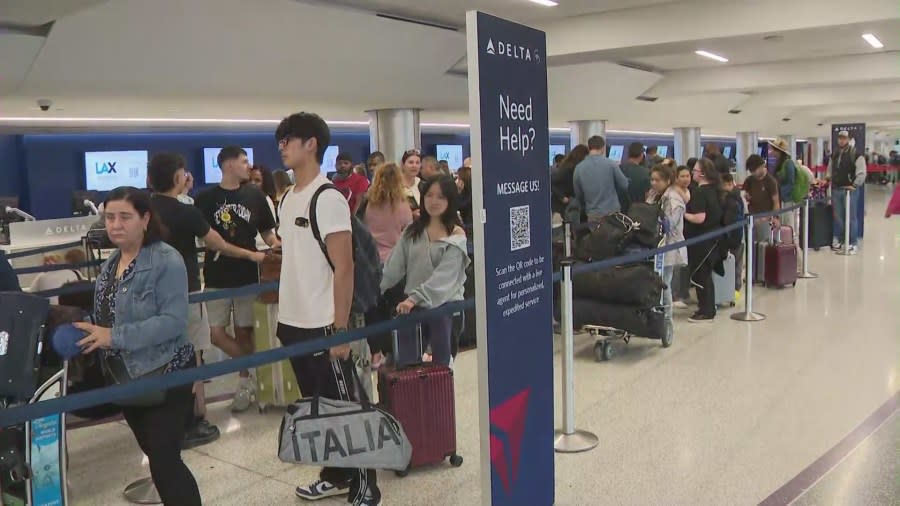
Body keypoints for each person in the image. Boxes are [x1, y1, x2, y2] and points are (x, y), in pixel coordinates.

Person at [275, 112, 380, 505]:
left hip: (324, 324)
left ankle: (367, 482)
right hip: (294, 322)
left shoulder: (328, 198)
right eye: (281, 141)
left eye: (288, 139)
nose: (282, 147)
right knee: (320, 410)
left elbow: (344, 268)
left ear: (311, 144)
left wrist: (340, 330)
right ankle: (337, 473)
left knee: (346, 408)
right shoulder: (288, 199)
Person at [73, 187, 201, 506]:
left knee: (165, 462)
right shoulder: (110, 264)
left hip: (166, 373)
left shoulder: (166, 260)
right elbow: (109, 314)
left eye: (124, 217)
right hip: (126, 376)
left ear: (145, 219)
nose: (115, 224)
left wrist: (112, 336)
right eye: (110, 217)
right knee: (157, 457)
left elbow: (173, 321)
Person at [149, 152, 267, 447]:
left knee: (168, 354)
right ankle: (195, 416)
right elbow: (216, 242)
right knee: (194, 351)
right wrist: (252, 255)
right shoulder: (190, 209)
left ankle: (173, 416)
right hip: (187, 291)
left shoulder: (144, 210)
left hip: (152, 293)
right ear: (178, 177)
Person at [194, 146, 279, 412]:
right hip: (217, 275)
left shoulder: (255, 195)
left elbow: (268, 234)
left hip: (247, 276)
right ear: (228, 165)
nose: (249, 165)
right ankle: (254, 370)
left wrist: (279, 247)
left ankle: (245, 384)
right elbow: (203, 237)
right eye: (243, 161)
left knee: (244, 330)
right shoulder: (206, 199)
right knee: (216, 333)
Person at [380, 176, 470, 367]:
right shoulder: (412, 231)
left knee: (441, 371)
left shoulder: (456, 234)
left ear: (450, 200)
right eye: (429, 195)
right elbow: (393, 267)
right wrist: (374, 290)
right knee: (406, 367)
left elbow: (444, 278)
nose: (434, 201)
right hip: (412, 310)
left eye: (441, 197)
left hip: (445, 309)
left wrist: (414, 298)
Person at [647, 165, 687, 343]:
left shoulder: (673, 199)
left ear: (667, 181)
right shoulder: (656, 196)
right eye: (652, 179)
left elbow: (670, 225)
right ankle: (657, 315)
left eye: (657, 180)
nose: (654, 183)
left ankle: (667, 319)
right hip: (658, 245)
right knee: (660, 281)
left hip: (670, 245)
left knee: (665, 283)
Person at [683, 158, 723, 323]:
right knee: (706, 275)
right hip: (713, 238)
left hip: (702, 240)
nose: (692, 173)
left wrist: (683, 215)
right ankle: (708, 307)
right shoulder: (715, 190)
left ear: (702, 173)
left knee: (701, 275)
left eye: (694, 171)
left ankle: (706, 311)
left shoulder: (700, 192)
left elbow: (700, 217)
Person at [827, 130, 866, 253]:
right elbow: (830, 169)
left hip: (850, 191)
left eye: (844, 138)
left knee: (851, 217)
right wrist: (827, 179)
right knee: (839, 217)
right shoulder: (835, 154)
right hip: (837, 189)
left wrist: (855, 184)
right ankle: (843, 240)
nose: (841, 140)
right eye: (840, 138)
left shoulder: (855, 154)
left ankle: (853, 242)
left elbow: (861, 171)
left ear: (848, 139)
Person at [573, 135, 629, 222]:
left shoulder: (579, 168)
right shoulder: (611, 164)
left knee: (596, 235)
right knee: (613, 235)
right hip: (612, 212)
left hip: (593, 214)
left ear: (589, 148)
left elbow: (578, 193)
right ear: (603, 148)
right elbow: (624, 185)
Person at [742, 154, 781, 242]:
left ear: (762, 166)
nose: (753, 173)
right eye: (751, 171)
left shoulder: (771, 181)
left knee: (763, 246)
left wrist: (775, 217)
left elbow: (776, 202)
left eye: (754, 170)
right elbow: (744, 196)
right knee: (751, 247)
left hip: (765, 219)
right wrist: (746, 197)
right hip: (751, 219)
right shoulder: (749, 180)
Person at [670, 165, 694, 309]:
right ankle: (674, 295)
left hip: (684, 232)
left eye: (688, 176)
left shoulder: (688, 192)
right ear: (676, 178)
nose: (686, 179)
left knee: (681, 265)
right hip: (675, 234)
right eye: (682, 176)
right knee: (674, 266)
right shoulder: (673, 193)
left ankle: (681, 292)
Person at [720, 173, 746, 293]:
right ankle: (735, 288)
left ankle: (734, 288)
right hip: (738, 235)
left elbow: (728, 219)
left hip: (734, 236)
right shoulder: (738, 196)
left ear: (729, 183)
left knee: (735, 263)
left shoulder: (730, 199)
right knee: (737, 263)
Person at [769, 139, 798, 236]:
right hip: (781, 199)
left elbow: (791, 183)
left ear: (779, 152)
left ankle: (789, 243)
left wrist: (779, 192)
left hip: (787, 200)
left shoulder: (788, 163)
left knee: (788, 223)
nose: (772, 152)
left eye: (774, 150)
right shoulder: (778, 163)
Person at [551, 144, 588, 216]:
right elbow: (551, 183)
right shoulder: (566, 169)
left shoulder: (575, 168)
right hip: (563, 204)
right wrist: (562, 197)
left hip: (570, 203)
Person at [620, 142, 651, 207]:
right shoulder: (646, 172)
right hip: (638, 211)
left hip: (619, 211)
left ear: (628, 154)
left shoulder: (618, 169)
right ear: (641, 155)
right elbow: (648, 196)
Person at [401, 149, 423, 215]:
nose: (414, 166)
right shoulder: (394, 185)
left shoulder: (423, 185)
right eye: (411, 162)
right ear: (403, 165)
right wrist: (411, 214)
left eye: (417, 163)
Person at [455, 165, 474, 230]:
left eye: (458, 178)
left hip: (470, 227)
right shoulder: (465, 192)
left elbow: (459, 205)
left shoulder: (471, 194)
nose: (456, 181)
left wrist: (458, 191)